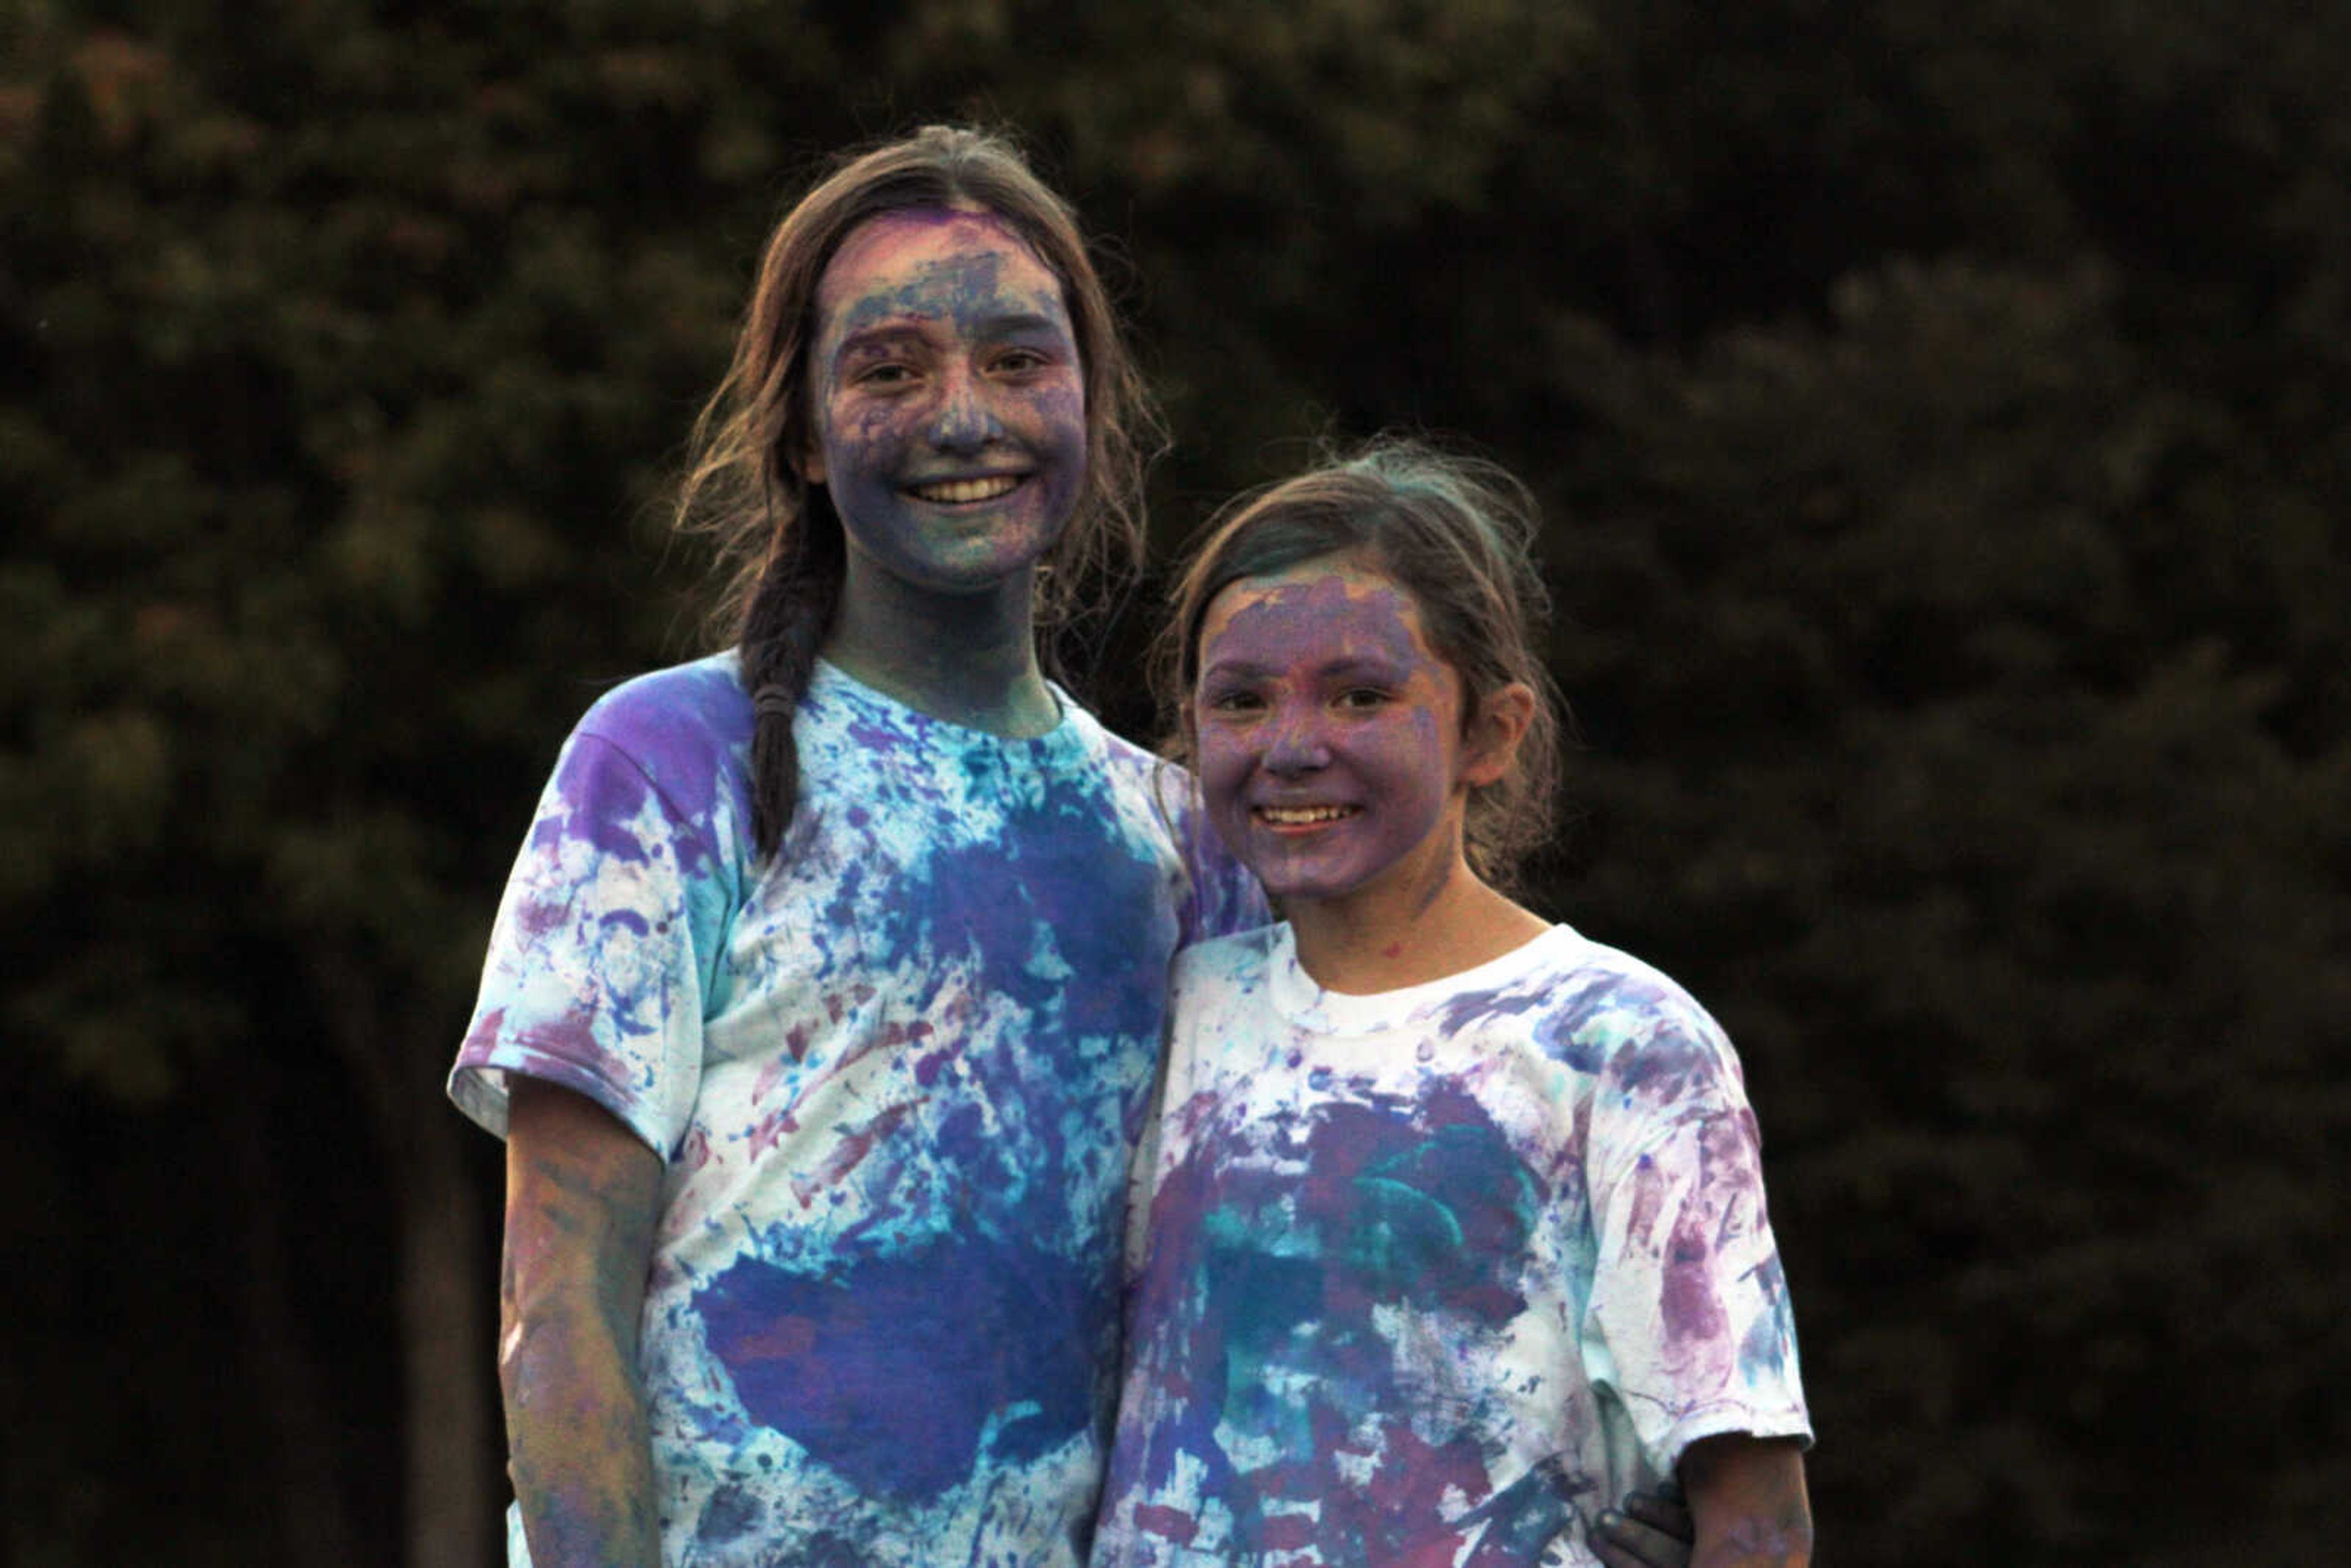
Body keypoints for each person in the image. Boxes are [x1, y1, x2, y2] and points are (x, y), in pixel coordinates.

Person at [447, 125, 1265, 1567]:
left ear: (1093, 402)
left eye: (1019, 359)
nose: (965, 415)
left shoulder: (1185, 844)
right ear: (806, 435)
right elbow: (556, 1302)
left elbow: (1253, 1295)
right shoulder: (667, 763)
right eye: (889, 367)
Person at [1090, 443, 1815, 1567]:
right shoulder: (1174, 1010)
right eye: (1240, 699)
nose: (1292, 745)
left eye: (1362, 695)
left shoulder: (1619, 1042)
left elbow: (1757, 1515)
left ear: (1492, 731)